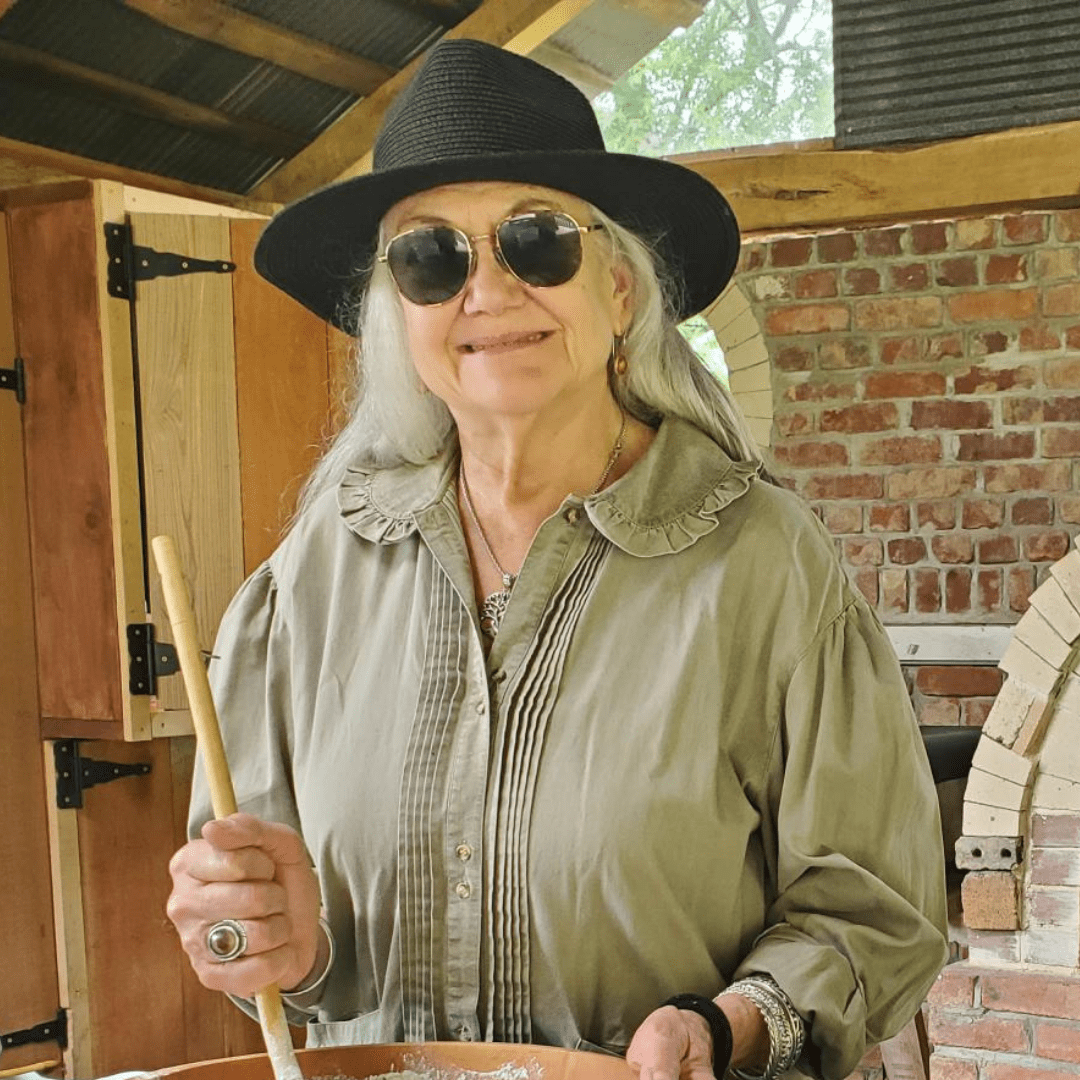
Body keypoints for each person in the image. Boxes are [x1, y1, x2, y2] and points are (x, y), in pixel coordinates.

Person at [166, 38, 948, 1080]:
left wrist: (728, 1025)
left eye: (537, 243)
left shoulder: (766, 565)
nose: (487, 291)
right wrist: (264, 941)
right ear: (399, 314)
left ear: (619, 289)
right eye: (432, 257)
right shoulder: (317, 573)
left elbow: (872, 913)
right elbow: (263, 945)